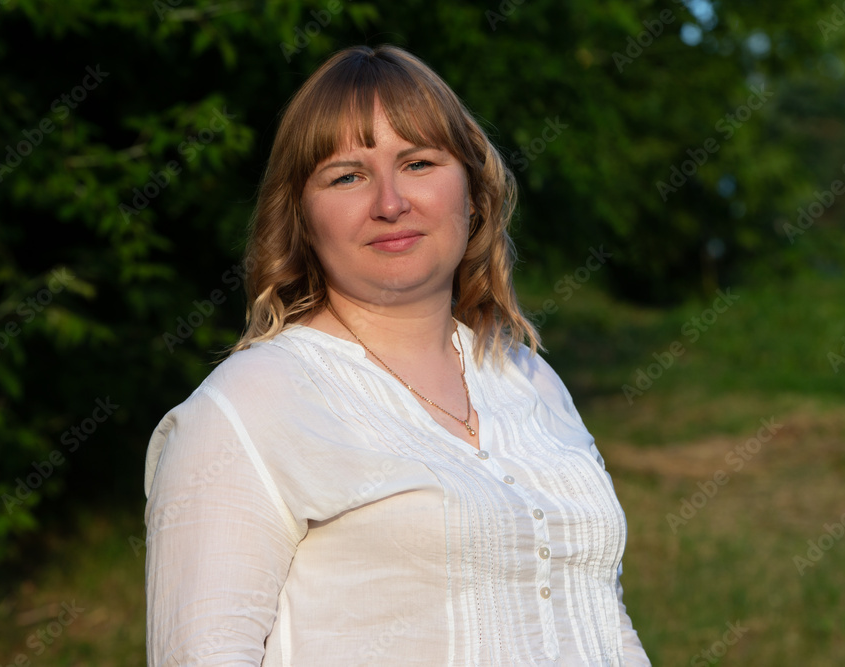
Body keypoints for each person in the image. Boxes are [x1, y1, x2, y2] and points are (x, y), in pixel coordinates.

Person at [144, 44, 651, 666]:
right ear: (301, 217)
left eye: (418, 163)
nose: (390, 203)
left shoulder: (528, 377)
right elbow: (204, 653)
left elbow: (600, 616)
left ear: (472, 192)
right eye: (347, 176)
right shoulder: (249, 405)